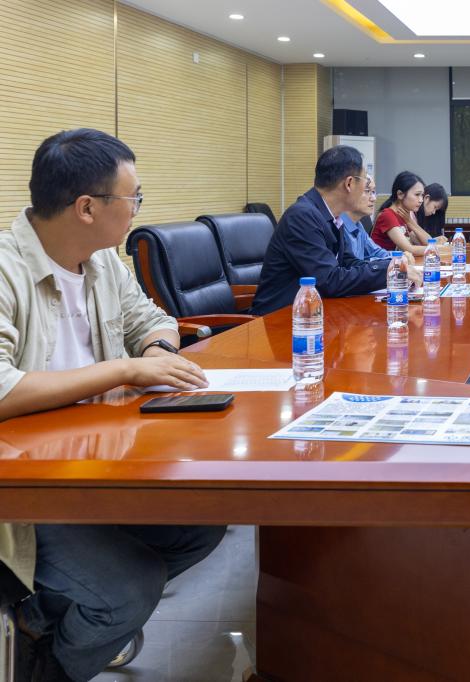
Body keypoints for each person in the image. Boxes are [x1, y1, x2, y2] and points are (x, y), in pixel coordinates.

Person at [0, 128, 225, 681]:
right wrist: (126, 369)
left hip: (95, 464)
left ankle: (42, 622)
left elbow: (152, 319)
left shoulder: (102, 262)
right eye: (133, 198)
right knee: (131, 588)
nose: (137, 210)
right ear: (86, 208)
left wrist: (156, 352)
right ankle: (49, 665)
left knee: (201, 525)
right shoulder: (7, 269)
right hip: (22, 490)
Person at [252, 146, 416, 315]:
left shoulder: (330, 216)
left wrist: (390, 267)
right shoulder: (302, 217)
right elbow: (329, 280)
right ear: (349, 183)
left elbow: (348, 262)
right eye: (365, 185)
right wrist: (386, 272)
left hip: (312, 313)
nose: (368, 193)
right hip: (279, 319)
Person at [371, 171, 444, 255]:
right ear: (400, 194)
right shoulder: (387, 215)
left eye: (422, 195)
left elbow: (427, 242)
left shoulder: (404, 215)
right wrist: (439, 249)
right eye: (417, 195)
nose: (421, 200)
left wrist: (410, 222)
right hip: (380, 262)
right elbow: (409, 249)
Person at [338, 175, 390, 261]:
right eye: (367, 191)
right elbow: (350, 266)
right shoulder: (337, 226)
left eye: (373, 191)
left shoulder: (358, 224)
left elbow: (375, 252)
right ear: (348, 191)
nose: (374, 198)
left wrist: (400, 257)